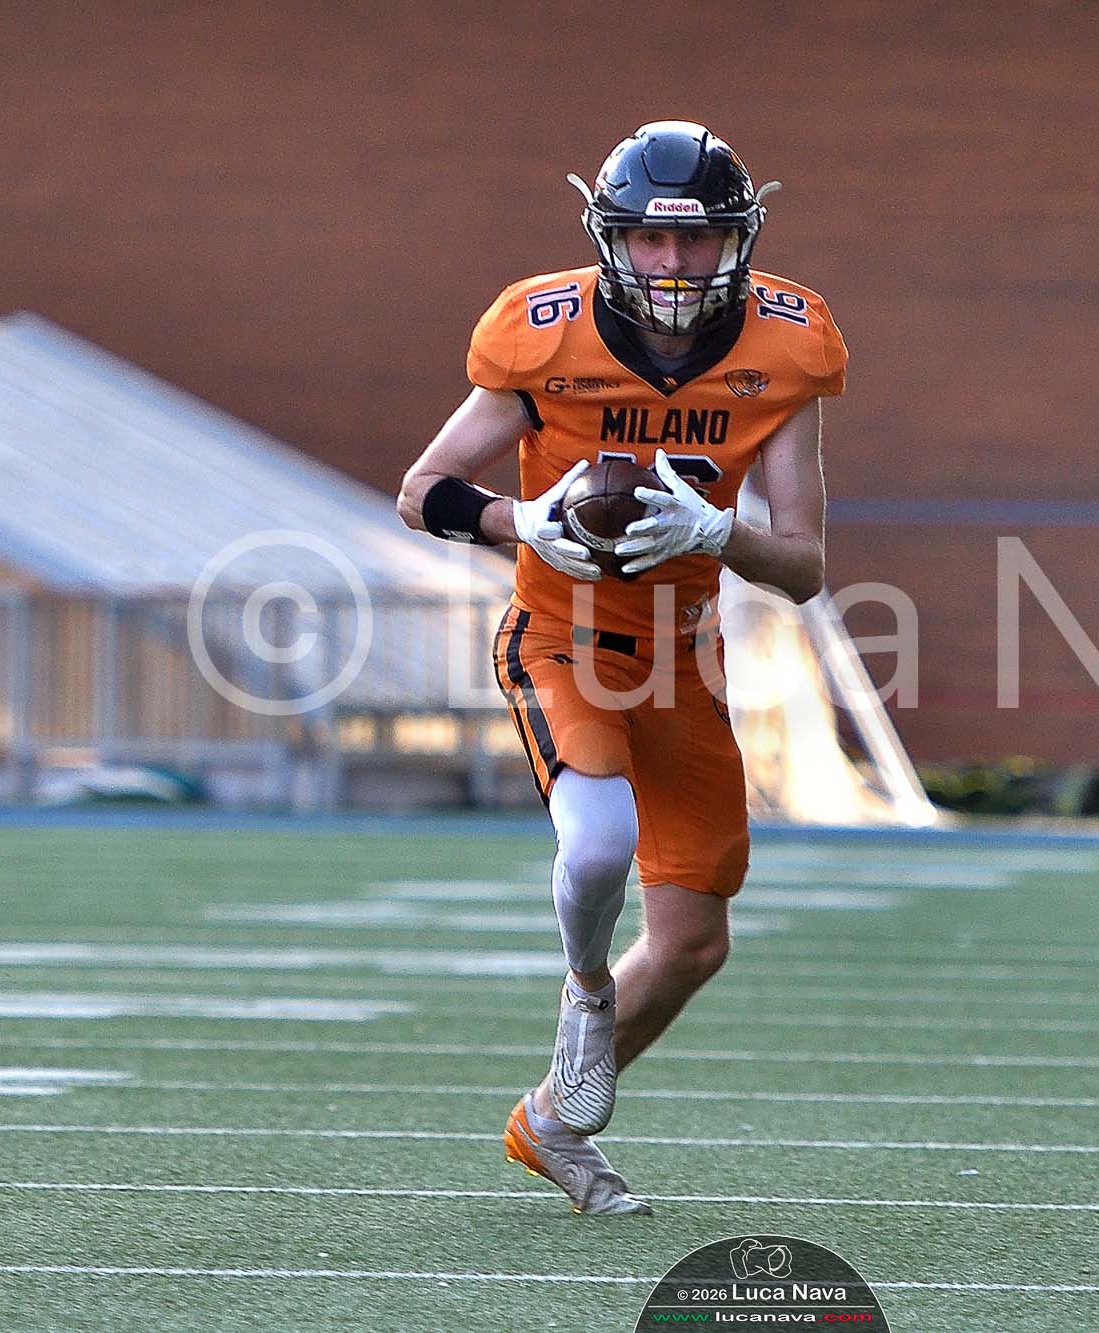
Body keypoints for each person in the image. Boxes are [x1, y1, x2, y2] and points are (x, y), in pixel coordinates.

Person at [397, 121, 846, 1216]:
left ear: (738, 240)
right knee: (596, 841)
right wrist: (519, 522)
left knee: (693, 942)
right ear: (612, 238)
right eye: (650, 238)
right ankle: (587, 991)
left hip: (682, 660)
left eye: (696, 241)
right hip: (562, 637)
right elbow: (421, 490)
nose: (674, 264)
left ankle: (550, 1121)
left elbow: (802, 568)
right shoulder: (541, 334)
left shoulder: (786, 345)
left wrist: (717, 530)